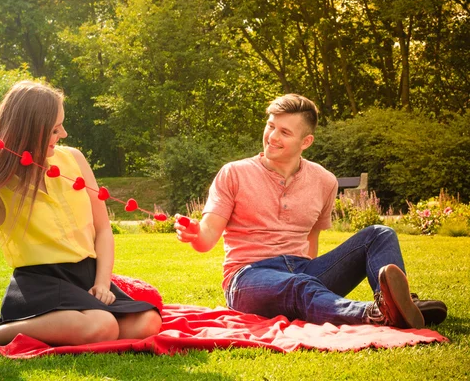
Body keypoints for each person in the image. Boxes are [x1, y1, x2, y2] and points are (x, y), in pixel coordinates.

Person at [0, 81, 162, 351]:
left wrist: (102, 283)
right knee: (101, 326)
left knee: (147, 323)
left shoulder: (74, 159)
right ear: (30, 131)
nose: (64, 133)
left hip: (88, 277)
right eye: (54, 129)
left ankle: (69, 325)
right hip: (40, 285)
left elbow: (103, 229)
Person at [174, 94, 447, 328]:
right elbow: (207, 237)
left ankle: (399, 303)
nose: (272, 137)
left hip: (303, 269)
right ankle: (374, 314)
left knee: (380, 234)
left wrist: (314, 277)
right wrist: (194, 232)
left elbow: (311, 242)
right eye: (271, 127)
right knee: (299, 285)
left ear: (306, 142)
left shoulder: (324, 180)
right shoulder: (234, 173)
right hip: (248, 277)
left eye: (284, 132)